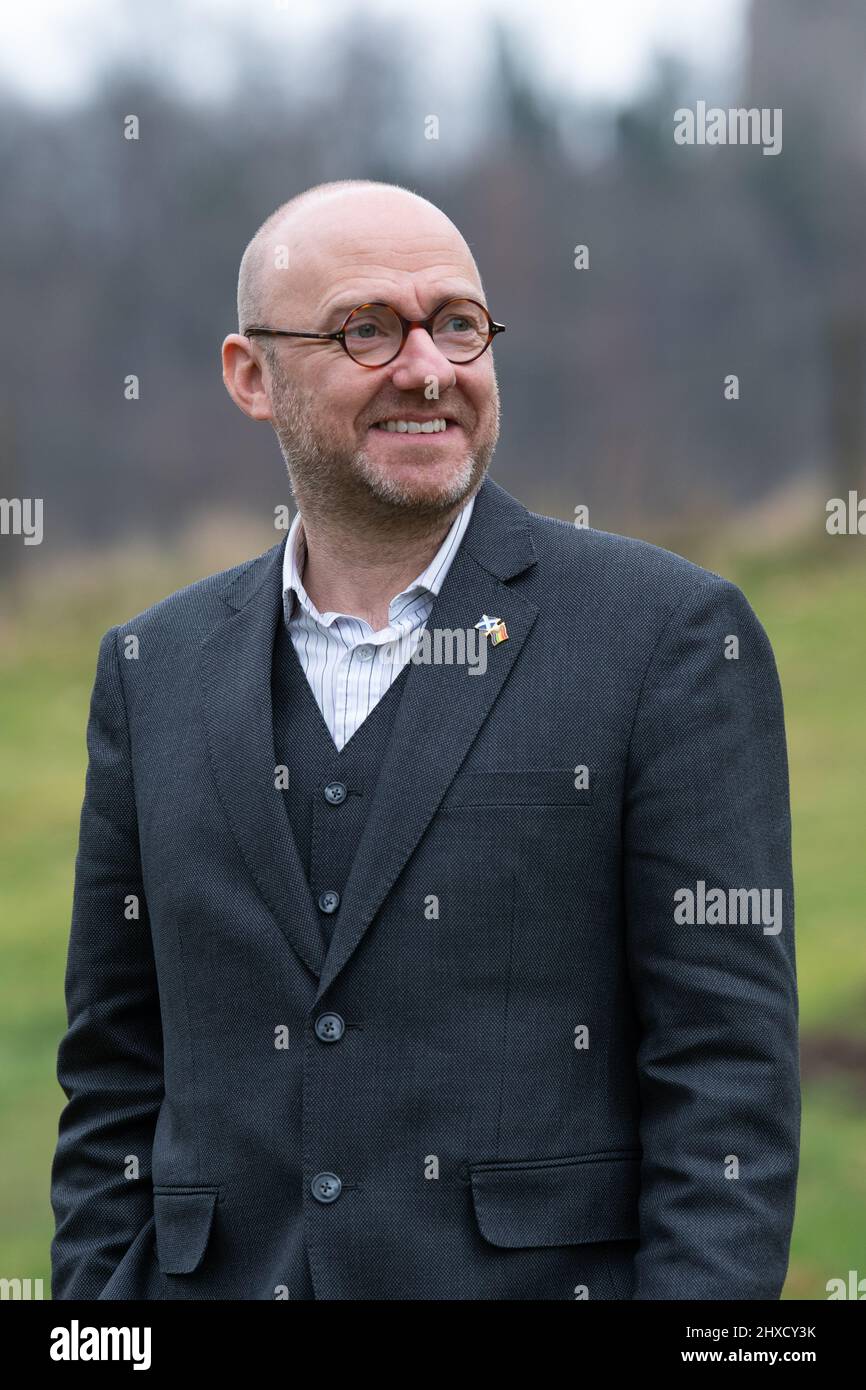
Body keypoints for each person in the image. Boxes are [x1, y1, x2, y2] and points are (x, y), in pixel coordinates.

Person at [50, 179, 799, 1300]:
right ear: (250, 375)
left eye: (455, 322)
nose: (426, 368)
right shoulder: (151, 668)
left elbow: (724, 1078)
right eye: (367, 328)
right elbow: (113, 1071)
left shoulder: (667, 639)